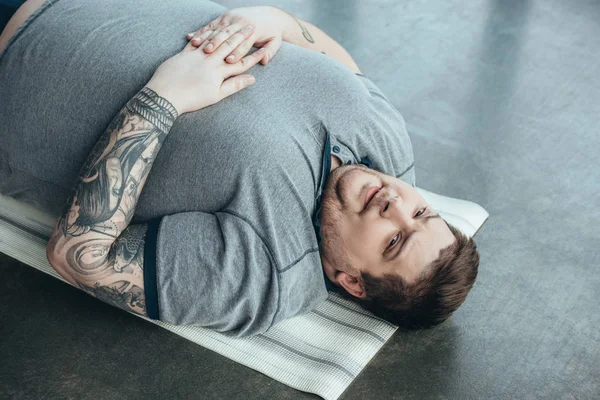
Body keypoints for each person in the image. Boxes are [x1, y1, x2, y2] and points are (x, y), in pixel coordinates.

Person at [0, 0, 479, 337]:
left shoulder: (264, 275)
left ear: (350, 280)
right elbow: (343, 66)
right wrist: (278, 21)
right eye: (421, 214)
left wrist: (162, 99)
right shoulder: (390, 146)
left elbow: (80, 257)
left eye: (393, 241)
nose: (397, 204)